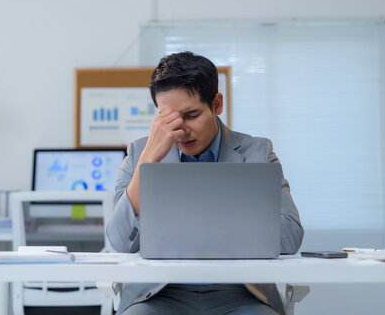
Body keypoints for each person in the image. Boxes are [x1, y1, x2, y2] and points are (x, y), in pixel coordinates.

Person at [106, 51, 304, 315]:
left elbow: (291, 236)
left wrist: (211, 225)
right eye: (169, 119)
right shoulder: (139, 153)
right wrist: (148, 161)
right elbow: (120, 241)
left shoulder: (257, 152)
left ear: (217, 104)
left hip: (241, 292)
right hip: (158, 294)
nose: (181, 130)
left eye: (191, 115)